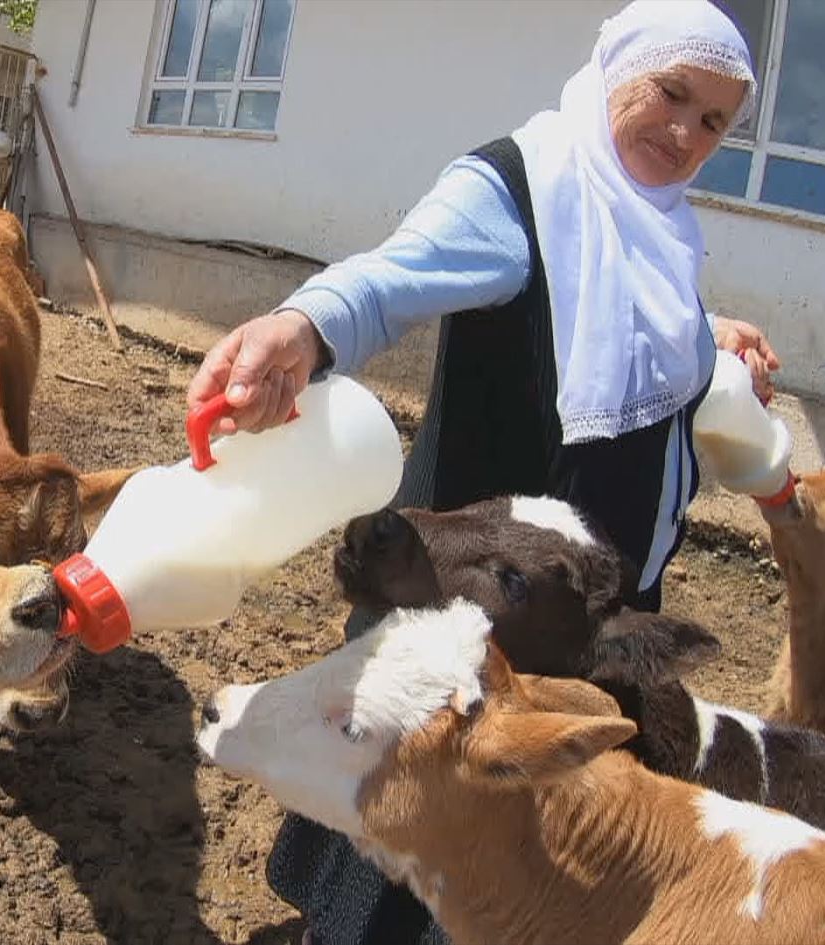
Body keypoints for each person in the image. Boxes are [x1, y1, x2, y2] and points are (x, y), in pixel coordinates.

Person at [184, 2, 778, 943]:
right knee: (417, 822)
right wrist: (303, 325)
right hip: (470, 609)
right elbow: (395, 274)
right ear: (619, 67)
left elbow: (624, 327)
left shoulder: (661, 230)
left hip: (568, 624)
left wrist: (709, 335)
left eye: (714, 122)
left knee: (516, 862)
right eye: (671, 93)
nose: (685, 134)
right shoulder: (521, 188)